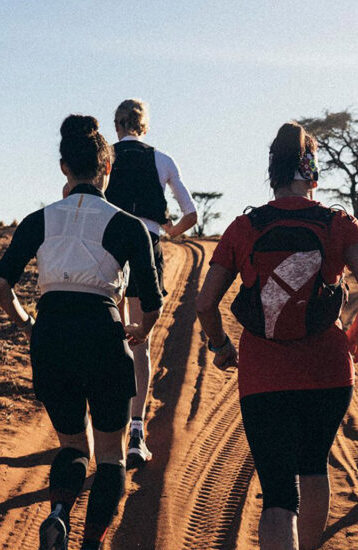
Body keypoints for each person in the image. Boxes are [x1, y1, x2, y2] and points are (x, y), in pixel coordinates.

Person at [196, 122, 358, 550]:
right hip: (329, 370)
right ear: (310, 171)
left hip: (264, 374)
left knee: (278, 490)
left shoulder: (243, 226)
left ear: (273, 171)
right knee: (313, 466)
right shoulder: (336, 223)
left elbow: (207, 302)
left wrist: (221, 347)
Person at [0, 115, 163, 550]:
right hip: (103, 330)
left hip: (52, 332)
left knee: (71, 445)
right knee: (109, 453)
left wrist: (27, 323)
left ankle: (61, 511)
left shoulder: (38, 220)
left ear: (64, 166)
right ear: (107, 167)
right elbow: (154, 298)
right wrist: (140, 331)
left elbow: (0, 284)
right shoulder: (127, 226)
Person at [105, 98, 198, 468]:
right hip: (147, 244)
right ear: (143, 126)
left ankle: (104, 428)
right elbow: (190, 212)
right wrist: (171, 231)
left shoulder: (105, 157)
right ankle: (136, 431)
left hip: (108, 246)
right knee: (140, 341)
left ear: (117, 125)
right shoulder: (162, 159)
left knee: (108, 336)